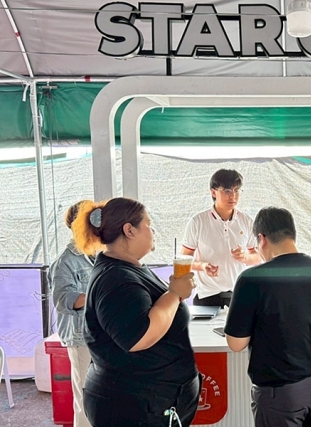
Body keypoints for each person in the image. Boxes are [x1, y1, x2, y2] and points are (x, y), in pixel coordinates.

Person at [73, 198, 200, 427]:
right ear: (129, 230)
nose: (153, 231)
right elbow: (139, 336)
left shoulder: (128, 268)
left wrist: (174, 293)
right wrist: (174, 294)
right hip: (132, 406)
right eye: (148, 224)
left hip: (147, 402)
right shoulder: (116, 279)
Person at [224, 207, 311, 427]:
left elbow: (236, 343)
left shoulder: (252, 279)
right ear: (292, 234)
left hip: (282, 390)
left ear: (262, 239)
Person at [182, 169, 260, 307]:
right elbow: (183, 261)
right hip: (206, 295)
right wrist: (202, 266)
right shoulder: (198, 222)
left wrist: (244, 258)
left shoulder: (247, 221)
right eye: (227, 191)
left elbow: (258, 257)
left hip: (238, 293)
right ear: (213, 192)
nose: (233, 196)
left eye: (237, 190)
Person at [49, 200, 94, 427]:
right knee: (85, 397)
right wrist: (97, 293)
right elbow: (62, 300)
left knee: (98, 396)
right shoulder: (65, 261)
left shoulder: (99, 255)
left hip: (100, 334)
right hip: (79, 337)